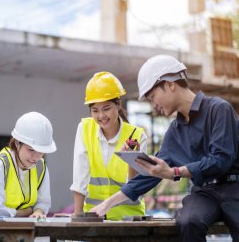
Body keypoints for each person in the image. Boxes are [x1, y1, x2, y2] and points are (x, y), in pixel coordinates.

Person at [90, 55, 239, 241]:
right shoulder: (174, 132)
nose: (154, 106)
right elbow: (152, 173)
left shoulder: (219, 109)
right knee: (187, 221)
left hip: (235, 188)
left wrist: (174, 172)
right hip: (205, 193)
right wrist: (106, 205)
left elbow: (221, 159)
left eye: (153, 97)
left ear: (169, 84)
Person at [69, 71, 148, 220]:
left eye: (106, 108)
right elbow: (80, 174)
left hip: (129, 220)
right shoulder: (85, 129)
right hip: (93, 218)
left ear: (118, 105)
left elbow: (137, 188)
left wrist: (132, 159)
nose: (101, 116)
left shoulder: (136, 136)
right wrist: (78, 215)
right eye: (95, 110)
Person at [0, 111, 57, 219]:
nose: (36, 157)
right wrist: (22, 213)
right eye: (31, 150)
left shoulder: (41, 168)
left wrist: (37, 211)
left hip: (11, 225)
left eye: (41, 152)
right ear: (17, 143)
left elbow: (43, 202)